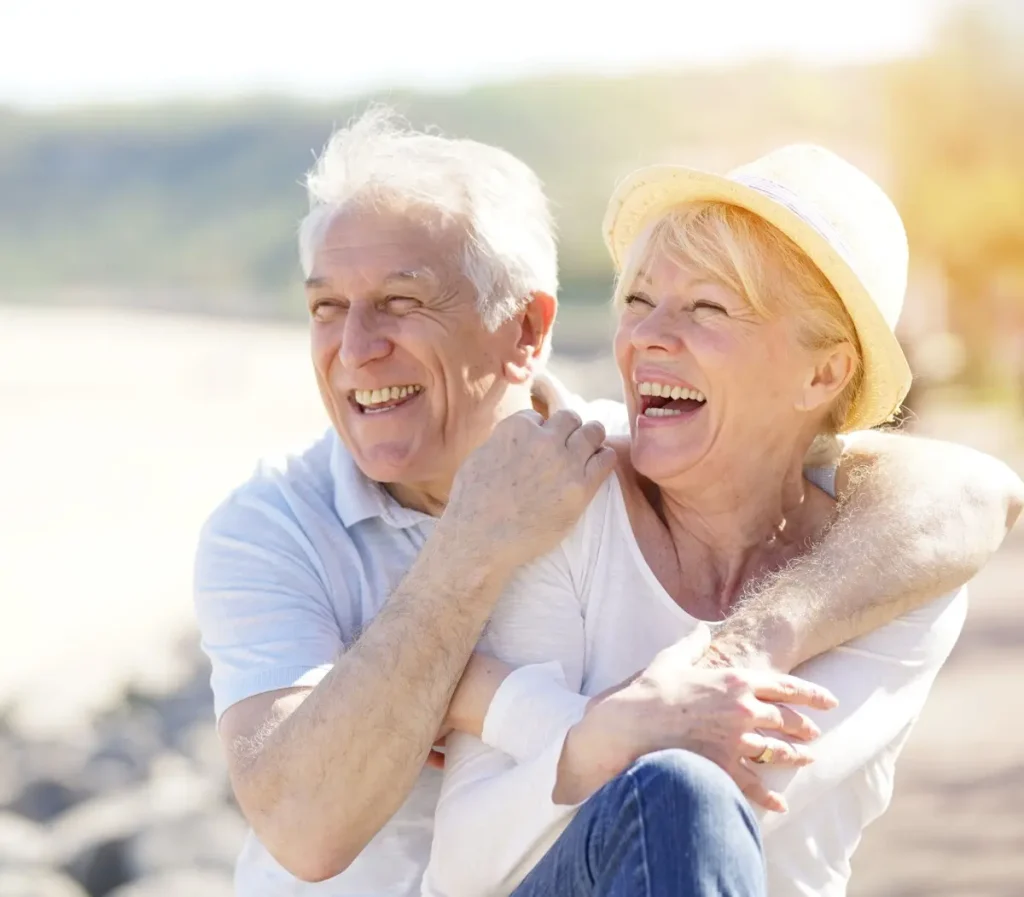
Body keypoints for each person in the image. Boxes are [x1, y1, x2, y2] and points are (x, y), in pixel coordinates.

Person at [193, 109, 1024, 896]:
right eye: (325, 309)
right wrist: (471, 557)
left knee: (681, 792)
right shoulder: (274, 526)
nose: (356, 349)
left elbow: (974, 489)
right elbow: (308, 828)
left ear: (527, 331)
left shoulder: (601, 479)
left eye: (401, 303)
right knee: (678, 789)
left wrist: (731, 653)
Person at [422, 146, 1012, 897]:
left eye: (706, 307)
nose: (647, 338)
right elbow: (465, 869)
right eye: (637, 301)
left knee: (685, 796)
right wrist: (604, 729)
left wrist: (512, 707)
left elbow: (729, 788)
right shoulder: (573, 499)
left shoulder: (896, 575)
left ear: (823, 373)